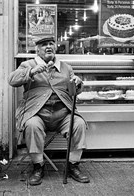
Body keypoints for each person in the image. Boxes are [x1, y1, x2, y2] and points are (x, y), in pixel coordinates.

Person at [8, 37, 90, 186]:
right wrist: (31, 72)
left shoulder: (66, 68)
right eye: (44, 45)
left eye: (51, 44)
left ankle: (73, 166)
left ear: (55, 48)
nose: (48, 47)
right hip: (37, 113)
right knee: (32, 125)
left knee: (78, 124)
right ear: (37, 50)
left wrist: (78, 83)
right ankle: (38, 167)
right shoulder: (28, 64)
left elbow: (74, 93)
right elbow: (12, 80)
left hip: (63, 113)